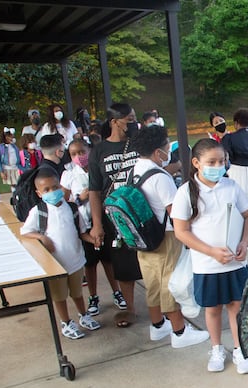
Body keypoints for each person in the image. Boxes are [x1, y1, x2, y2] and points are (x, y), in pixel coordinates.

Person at [172, 138, 248, 372]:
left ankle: (240, 350)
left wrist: (243, 241)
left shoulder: (231, 187)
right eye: (212, 161)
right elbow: (181, 231)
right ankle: (217, 349)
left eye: (222, 161)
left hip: (235, 263)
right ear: (197, 163)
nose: (218, 166)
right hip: (206, 265)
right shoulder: (185, 192)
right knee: (212, 309)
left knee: (237, 306)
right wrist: (211, 252)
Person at [132, 125, 211, 348]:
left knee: (153, 282)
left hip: (143, 237)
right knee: (170, 283)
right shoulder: (160, 177)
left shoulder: (135, 169)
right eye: (167, 146)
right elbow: (175, 212)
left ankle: (158, 326)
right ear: (159, 152)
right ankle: (179, 332)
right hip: (165, 237)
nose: (169, 150)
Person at [20, 167, 101, 339]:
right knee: (60, 295)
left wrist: (92, 239)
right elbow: (25, 232)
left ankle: (83, 315)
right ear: (39, 193)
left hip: (75, 260)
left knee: (77, 292)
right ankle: (66, 322)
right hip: (56, 264)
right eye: (47, 189)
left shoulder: (71, 208)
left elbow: (81, 232)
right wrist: (42, 237)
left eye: (55, 187)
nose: (52, 192)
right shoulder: (38, 211)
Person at [88, 102, 142, 328]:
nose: (133, 123)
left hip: (141, 212)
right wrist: (97, 225)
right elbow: (94, 190)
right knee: (124, 265)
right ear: (114, 122)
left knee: (152, 261)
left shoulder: (139, 142)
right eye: (129, 119)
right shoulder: (99, 151)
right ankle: (129, 310)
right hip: (115, 217)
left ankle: (163, 309)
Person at [60, 138, 120, 317]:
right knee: (90, 263)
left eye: (82, 152)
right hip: (85, 225)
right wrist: (79, 197)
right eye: (74, 154)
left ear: (89, 151)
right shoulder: (69, 174)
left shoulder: (98, 168)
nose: (79, 157)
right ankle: (93, 296)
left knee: (108, 260)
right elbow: (63, 200)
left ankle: (116, 291)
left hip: (105, 220)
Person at [221, 108, 248, 245]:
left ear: (236, 122)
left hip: (236, 171)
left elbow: (227, 157)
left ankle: (239, 234)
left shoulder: (229, 138)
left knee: (236, 203)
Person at [0, 127, 22, 191]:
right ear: (6, 137)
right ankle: (15, 196)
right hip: (7, 168)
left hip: (16, 168)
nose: (12, 138)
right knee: (13, 184)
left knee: (20, 183)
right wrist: (1, 172)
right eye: (11, 137)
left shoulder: (14, 146)